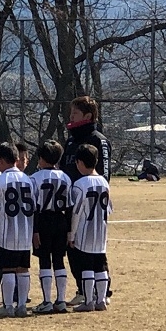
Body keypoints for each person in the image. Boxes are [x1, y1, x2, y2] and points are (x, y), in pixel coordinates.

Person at [61, 96, 111, 304]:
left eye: (75, 114)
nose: (71, 117)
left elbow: (105, 174)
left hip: (89, 203)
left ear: (88, 116)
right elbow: (64, 166)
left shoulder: (98, 140)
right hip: (70, 201)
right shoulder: (71, 139)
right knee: (72, 246)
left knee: (95, 249)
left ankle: (103, 292)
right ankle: (82, 288)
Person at [0, 143, 36, 317]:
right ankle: (21, 305)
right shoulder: (29, 180)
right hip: (26, 231)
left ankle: (8, 306)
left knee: (7, 268)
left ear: (0, 160)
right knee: (23, 269)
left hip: (7, 231)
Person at [31, 141, 72, 313]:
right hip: (61, 220)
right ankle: (61, 300)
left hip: (43, 220)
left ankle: (47, 300)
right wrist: (70, 229)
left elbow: (33, 207)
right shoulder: (65, 177)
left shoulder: (34, 178)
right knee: (59, 260)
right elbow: (69, 206)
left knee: (45, 260)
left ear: (41, 158)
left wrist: (35, 230)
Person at [69, 144, 111, 312]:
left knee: (86, 266)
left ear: (79, 162)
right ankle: (101, 299)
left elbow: (76, 212)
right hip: (101, 229)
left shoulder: (79, 184)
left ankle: (88, 301)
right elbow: (109, 208)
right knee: (100, 264)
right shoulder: (104, 182)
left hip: (85, 230)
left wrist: (71, 234)